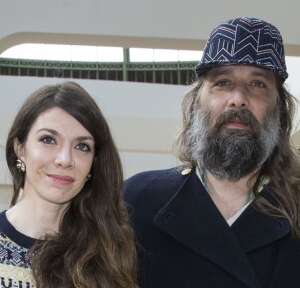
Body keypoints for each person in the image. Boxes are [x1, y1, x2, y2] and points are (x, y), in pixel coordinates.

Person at [124, 17, 300, 288]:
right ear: (197, 102)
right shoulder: (135, 201)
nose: (238, 98)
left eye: (258, 84)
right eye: (222, 82)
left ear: (280, 110)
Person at [0, 81, 137, 287]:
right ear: (20, 149)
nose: (65, 159)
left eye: (82, 146)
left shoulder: (110, 253)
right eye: (48, 139)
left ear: (94, 162)